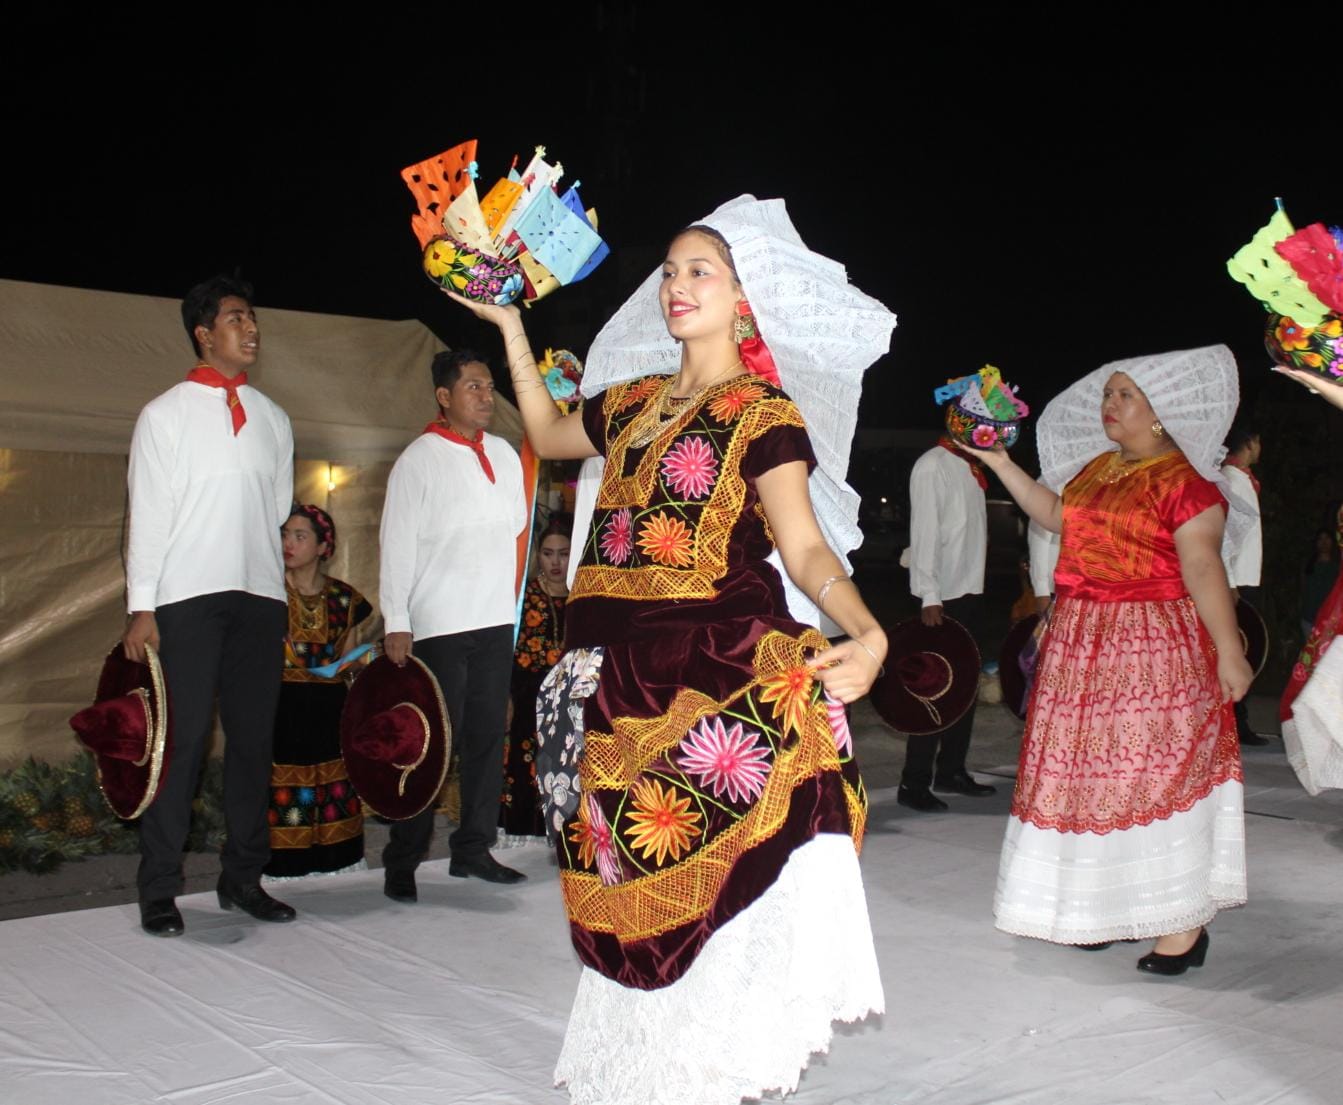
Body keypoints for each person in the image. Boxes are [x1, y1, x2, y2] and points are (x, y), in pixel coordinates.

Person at [448, 196, 892, 1104]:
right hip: (602, 683)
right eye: (669, 271)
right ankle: (649, 1075)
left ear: (744, 299)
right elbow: (542, 433)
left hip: (710, 676)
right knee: (619, 883)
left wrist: (869, 628)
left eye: (701, 271)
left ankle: (708, 1073)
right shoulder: (634, 403)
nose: (676, 285)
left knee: (707, 888)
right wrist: (510, 325)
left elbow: (804, 549)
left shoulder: (762, 412)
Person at [980, 346, 1252, 976]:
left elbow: (1204, 568)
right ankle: (1103, 909)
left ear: (1163, 414)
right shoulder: (1099, 470)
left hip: (1151, 646)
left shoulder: (1188, 486)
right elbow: (1055, 516)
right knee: (1088, 781)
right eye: (1109, 394)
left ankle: (1182, 926)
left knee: (1151, 779)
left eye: (1125, 395)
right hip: (1082, 644)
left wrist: (1230, 650)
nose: (1111, 406)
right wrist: (999, 462)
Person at [123, 274, 296, 937]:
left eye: (253, 318)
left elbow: (277, 507)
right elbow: (150, 516)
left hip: (258, 595)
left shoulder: (275, 418)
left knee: (253, 742)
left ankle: (243, 879)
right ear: (203, 333)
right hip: (186, 598)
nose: (250, 329)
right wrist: (144, 606)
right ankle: (159, 889)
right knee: (183, 741)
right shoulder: (163, 414)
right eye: (235, 319)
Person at [378, 348, 528, 901]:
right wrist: (397, 618)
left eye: (489, 387)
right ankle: (403, 859)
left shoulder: (506, 454)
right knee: (431, 745)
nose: (486, 397)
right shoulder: (418, 459)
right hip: (437, 622)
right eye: (473, 387)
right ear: (444, 397)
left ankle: (472, 849)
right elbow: (394, 543)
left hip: (492, 619)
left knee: (487, 738)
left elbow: (515, 524)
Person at [264, 505, 375, 877]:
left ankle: (336, 861)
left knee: (333, 785)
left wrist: (363, 660)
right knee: (282, 787)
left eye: (300, 536)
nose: (288, 544)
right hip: (280, 707)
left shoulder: (345, 600)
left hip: (329, 708)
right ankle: (281, 866)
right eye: (284, 535)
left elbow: (348, 659)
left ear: (323, 546)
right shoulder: (268, 593)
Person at [900, 425, 997, 811]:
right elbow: (924, 533)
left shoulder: (973, 467)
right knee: (932, 689)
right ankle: (914, 782)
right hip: (941, 596)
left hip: (970, 590)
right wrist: (929, 594)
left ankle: (952, 769)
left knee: (965, 687)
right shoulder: (931, 466)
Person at [500, 514, 571, 839]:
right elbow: (504, 652)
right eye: (548, 553)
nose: (555, 562)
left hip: (569, 698)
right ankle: (519, 836)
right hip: (527, 695)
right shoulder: (522, 597)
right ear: (537, 555)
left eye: (564, 553)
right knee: (524, 763)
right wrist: (506, 697)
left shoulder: (581, 597)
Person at [1220, 423, 1268, 745]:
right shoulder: (1232, 481)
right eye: (1258, 441)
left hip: (1245, 577)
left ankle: (1237, 721)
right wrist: (1231, 582)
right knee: (1238, 650)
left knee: (1247, 650)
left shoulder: (1242, 479)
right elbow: (1224, 536)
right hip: (1235, 582)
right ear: (1249, 443)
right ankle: (1235, 722)